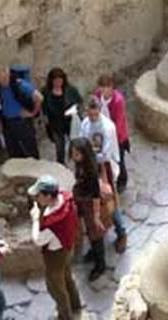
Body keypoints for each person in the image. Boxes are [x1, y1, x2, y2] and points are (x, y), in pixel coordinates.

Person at [29, 175, 82, 320]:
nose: (36, 198)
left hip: (56, 256)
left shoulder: (54, 221)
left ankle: (65, 316)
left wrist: (35, 219)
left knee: (56, 287)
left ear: (48, 196)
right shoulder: (66, 200)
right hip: (68, 246)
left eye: (38, 195)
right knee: (67, 277)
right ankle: (75, 305)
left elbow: (38, 240)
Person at [79, 97, 128, 253]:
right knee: (93, 202)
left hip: (105, 167)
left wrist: (89, 157)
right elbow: (82, 142)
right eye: (90, 114)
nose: (92, 118)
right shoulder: (85, 123)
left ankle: (121, 232)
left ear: (100, 111)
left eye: (95, 115)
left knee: (109, 201)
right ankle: (98, 236)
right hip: (90, 166)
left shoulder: (108, 127)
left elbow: (106, 153)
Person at [69, 137, 113, 281]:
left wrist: (96, 216)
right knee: (90, 231)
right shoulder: (81, 164)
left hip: (90, 204)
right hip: (83, 200)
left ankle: (100, 264)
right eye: (72, 153)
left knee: (95, 233)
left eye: (76, 154)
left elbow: (95, 195)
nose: (73, 157)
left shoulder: (91, 170)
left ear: (84, 154)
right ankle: (94, 252)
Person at [0, 64, 43, 159]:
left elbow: (39, 98)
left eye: (4, 78)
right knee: (13, 150)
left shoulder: (19, 84)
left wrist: (32, 113)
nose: (2, 81)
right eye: (0, 78)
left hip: (22, 121)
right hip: (7, 122)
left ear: (8, 75)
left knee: (29, 149)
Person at [94, 74, 130, 193]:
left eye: (107, 87)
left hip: (116, 135)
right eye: (102, 87)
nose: (104, 90)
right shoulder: (97, 95)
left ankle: (122, 181)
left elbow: (119, 121)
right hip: (102, 132)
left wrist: (111, 138)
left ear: (111, 87)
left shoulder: (118, 100)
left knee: (118, 159)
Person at [43, 68, 82, 165]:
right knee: (59, 148)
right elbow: (44, 107)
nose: (58, 83)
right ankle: (61, 166)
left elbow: (79, 102)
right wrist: (45, 119)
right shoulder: (46, 92)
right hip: (55, 124)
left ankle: (78, 164)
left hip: (69, 122)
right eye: (55, 81)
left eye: (60, 80)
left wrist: (74, 110)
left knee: (75, 145)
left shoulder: (70, 90)